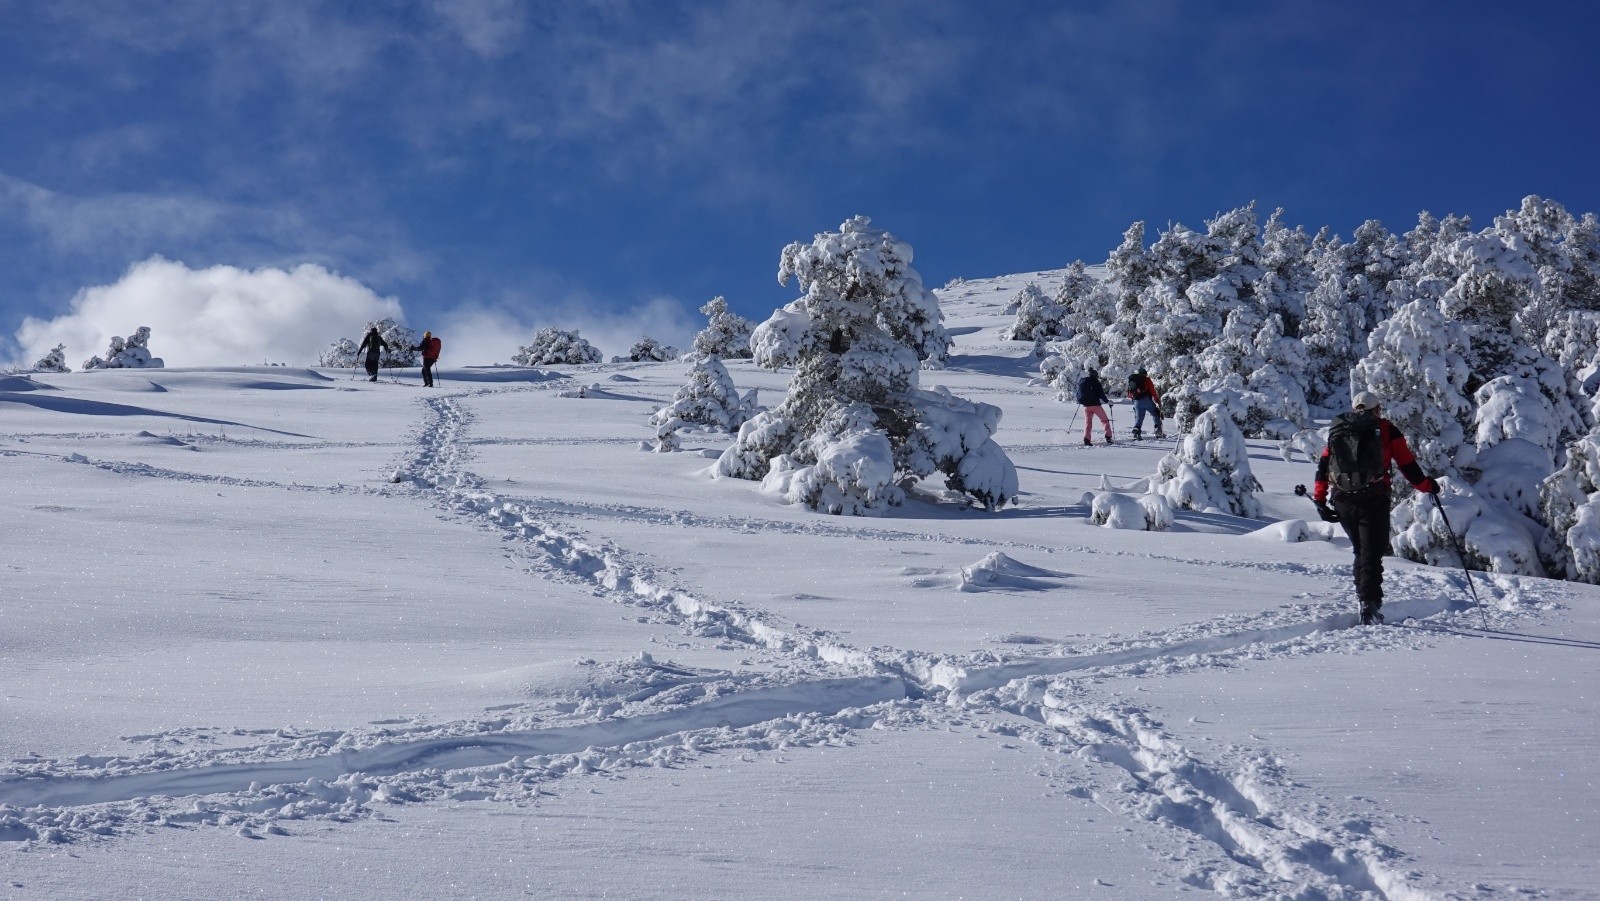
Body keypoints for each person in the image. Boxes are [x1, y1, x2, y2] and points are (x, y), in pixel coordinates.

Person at [1312, 391, 1439, 625]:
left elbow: (1323, 466)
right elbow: (1407, 464)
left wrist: (1320, 500)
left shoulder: (1339, 429)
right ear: (1377, 409)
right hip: (1374, 497)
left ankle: (1365, 600)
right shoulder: (1386, 429)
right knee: (1371, 553)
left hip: (1342, 498)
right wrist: (1427, 486)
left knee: (1361, 552)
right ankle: (1369, 606)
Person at [1075, 367, 1114, 446]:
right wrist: (1107, 401)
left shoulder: (1083, 381)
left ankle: (1087, 439)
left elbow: (1077, 393)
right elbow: (1101, 394)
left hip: (1086, 406)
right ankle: (1108, 437)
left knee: (1088, 423)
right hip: (1096, 406)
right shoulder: (1096, 382)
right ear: (1095, 375)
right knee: (1104, 421)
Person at [1126, 367, 1164, 440]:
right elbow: (1152, 391)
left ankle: (1136, 433)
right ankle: (1158, 431)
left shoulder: (1133, 381)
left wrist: (1135, 399)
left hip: (1136, 402)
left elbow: (1129, 394)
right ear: (1145, 374)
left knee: (1139, 418)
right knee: (1156, 413)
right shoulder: (1146, 380)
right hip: (1146, 400)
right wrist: (1157, 400)